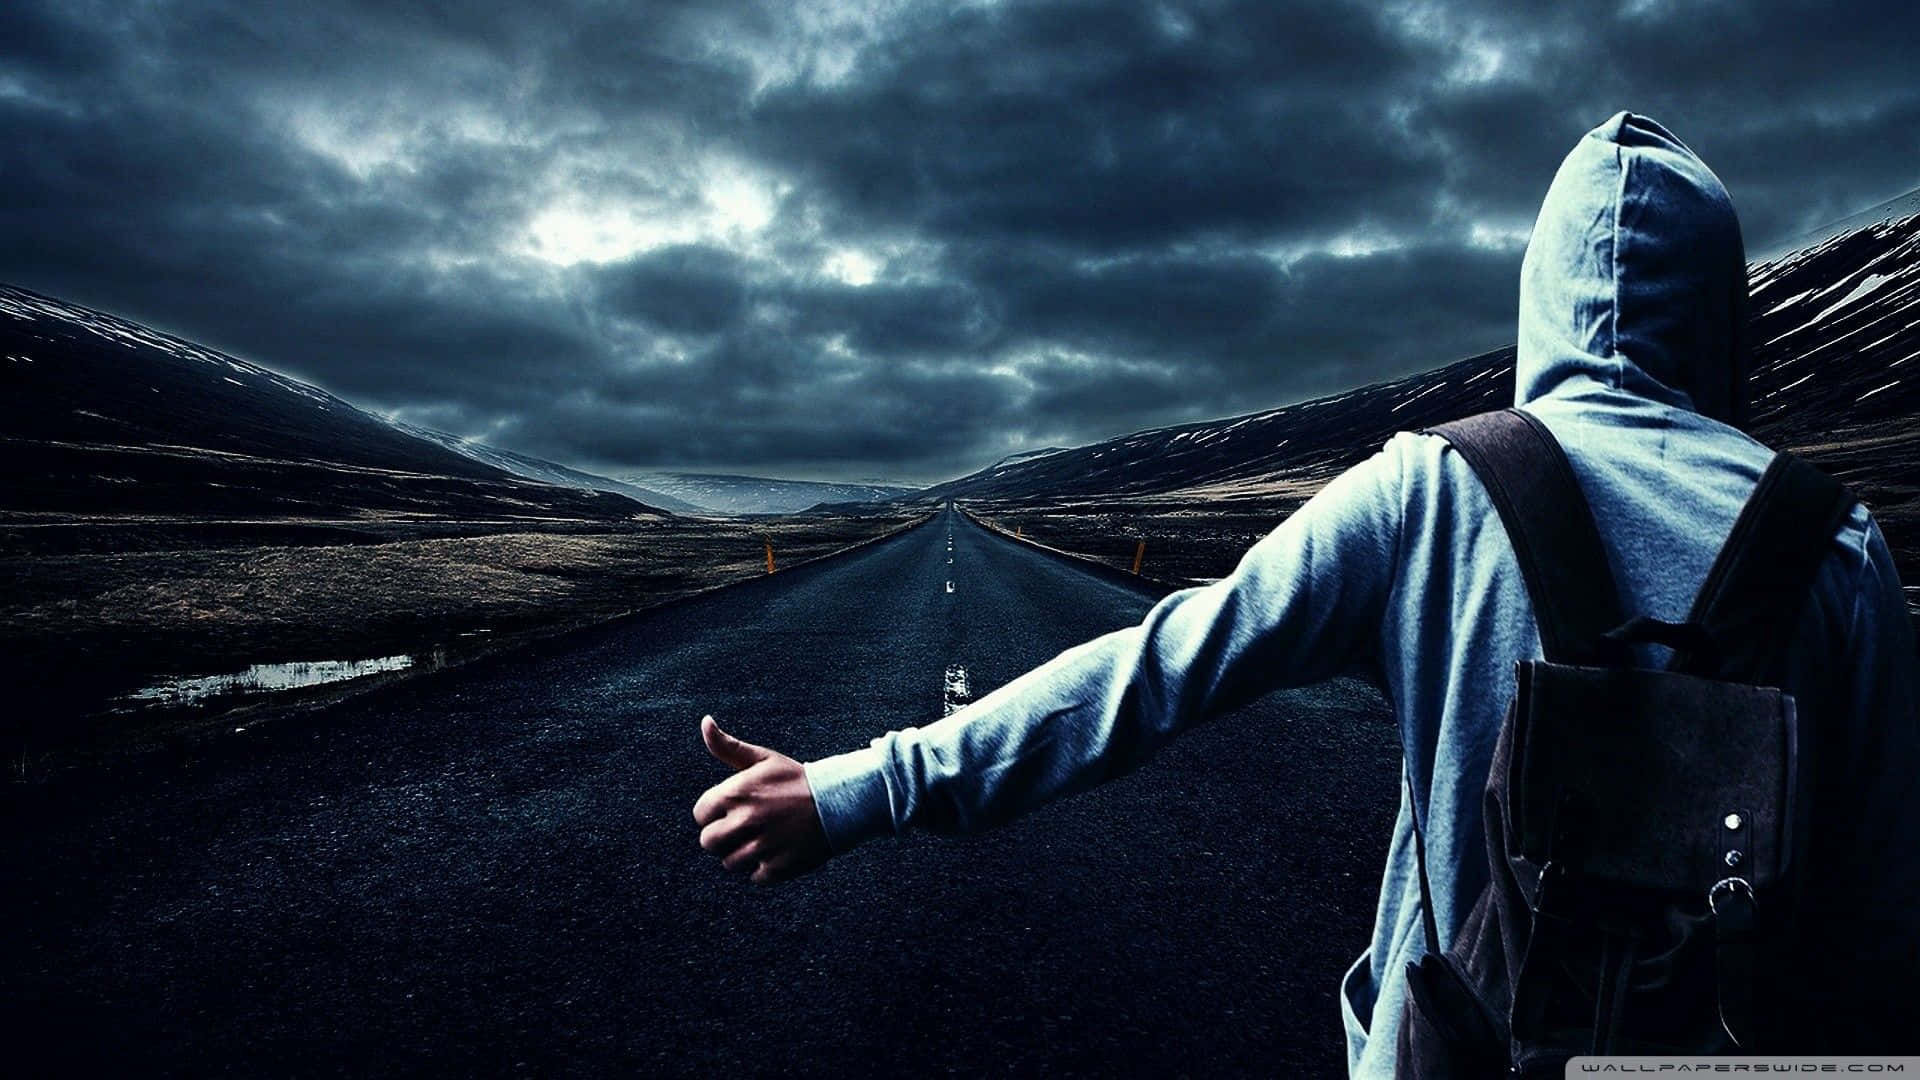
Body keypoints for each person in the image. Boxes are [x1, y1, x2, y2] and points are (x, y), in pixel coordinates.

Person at [690, 112, 1920, 1072]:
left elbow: (1157, 669)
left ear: (1540, 293)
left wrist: (861, 789)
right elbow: (1882, 926)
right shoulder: (1840, 547)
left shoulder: (1436, 491)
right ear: (1721, 308)